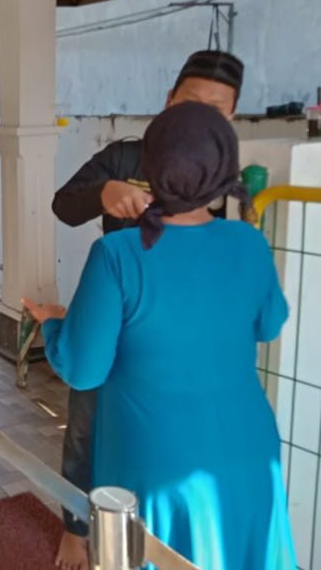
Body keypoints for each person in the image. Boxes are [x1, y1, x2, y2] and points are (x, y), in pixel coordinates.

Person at [26, 102, 296, 570]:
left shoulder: (117, 254)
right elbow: (269, 324)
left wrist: (52, 323)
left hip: (154, 469)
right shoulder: (248, 241)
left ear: (150, 169)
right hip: (251, 457)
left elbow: (82, 369)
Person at [49, 49, 245, 569]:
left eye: (217, 108)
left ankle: (163, 536)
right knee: (88, 425)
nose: (202, 115)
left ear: (232, 118)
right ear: (168, 101)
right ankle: (76, 526)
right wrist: (103, 192)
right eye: (191, 101)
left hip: (187, 341)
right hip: (112, 330)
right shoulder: (125, 158)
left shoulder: (232, 178)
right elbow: (63, 206)